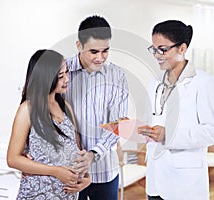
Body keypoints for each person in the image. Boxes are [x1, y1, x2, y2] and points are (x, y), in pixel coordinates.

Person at [138, 20, 214, 200]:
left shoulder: (203, 82)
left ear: (182, 48)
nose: (157, 55)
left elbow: (211, 132)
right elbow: (151, 120)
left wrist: (169, 135)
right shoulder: (155, 83)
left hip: (184, 182)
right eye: (154, 49)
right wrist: (135, 127)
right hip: (155, 177)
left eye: (163, 49)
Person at [7, 49, 91, 200]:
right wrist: (56, 171)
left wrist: (86, 177)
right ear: (45, 78)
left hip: (67, 195)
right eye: (60, 76)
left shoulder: (66, 106)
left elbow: (76, 150)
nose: (66, 79)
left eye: (67, 73)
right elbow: (12, 159)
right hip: (37, 194)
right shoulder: (28, 109)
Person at [65, 15, 129, 200]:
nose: (100, 58)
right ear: (79, 45)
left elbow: (120, 123)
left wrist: (94, 153)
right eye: (93, 51)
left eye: (105, 51)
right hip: (69, 170)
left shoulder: (117, 75)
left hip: (105, 171)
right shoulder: (61, 71)